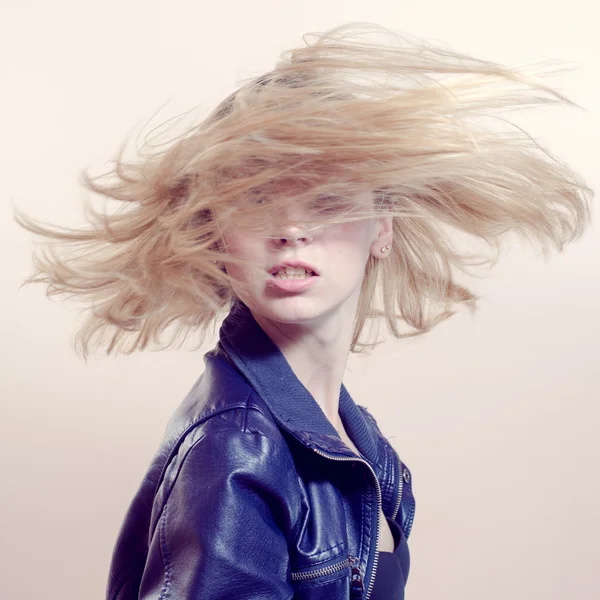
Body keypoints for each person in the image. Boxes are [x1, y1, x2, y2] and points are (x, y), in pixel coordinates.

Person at [15, 23, 592, 600]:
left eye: (326, 198)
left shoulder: (349, 434)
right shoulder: (239, 446)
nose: (291, 230)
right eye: (257, 200)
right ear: (217, 234)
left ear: (382, 225)